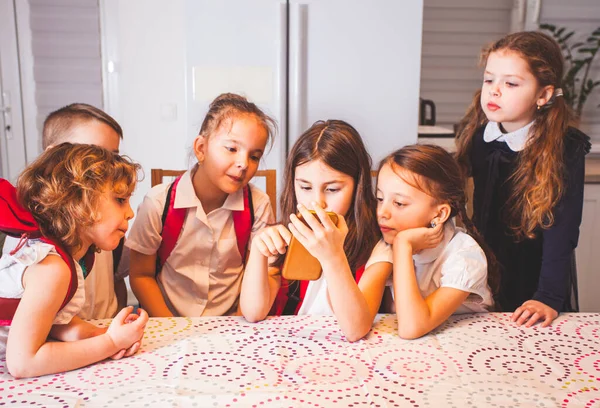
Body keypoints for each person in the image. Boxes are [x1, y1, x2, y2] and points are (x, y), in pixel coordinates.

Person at [455, 31, 591, 327]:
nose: (494, 91)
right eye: (489, 79)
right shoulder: (479, 134)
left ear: (543, 95)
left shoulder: (565, 148)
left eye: (511, 83)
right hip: (484, 265)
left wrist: (548, 295)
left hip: (532, 275)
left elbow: (563, 230)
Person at [0, 143, 147, 378]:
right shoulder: (51, 269)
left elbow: (58, 325)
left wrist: (103, 335)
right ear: (79, 204)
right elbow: (23, 363)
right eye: (120, 200)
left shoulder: (60, 260)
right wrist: (108, 343)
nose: (130, 213)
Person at [240, 120, 391, 342]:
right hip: (289, 351)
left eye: (332, 189)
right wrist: (258, 251)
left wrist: (333, 257)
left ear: (358, 186)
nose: (317, 202)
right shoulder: (284, 238)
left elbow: (356, 329)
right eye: (305, 187)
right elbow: (253, 312)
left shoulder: (378, 247)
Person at [127, 93, 276, 317]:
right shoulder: (158, 204)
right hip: (171, 323)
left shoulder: (258, 205)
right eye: (232, 149)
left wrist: (237, 326)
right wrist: (174, 330)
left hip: (234, 323)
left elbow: (264, 274)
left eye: (254, 156)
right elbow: (141, 275)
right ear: (201, 148)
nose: (243, 164)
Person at [377, 144, 497, 339]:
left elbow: (411, 328)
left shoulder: (464, 255)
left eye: (399, 203)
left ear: (440, 213)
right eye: (380, 198)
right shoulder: (385, 242)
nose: (382, 212)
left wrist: (402, 247)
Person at [42, 103, 128, 318]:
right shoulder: (31, 235)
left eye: (114, 157)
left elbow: (116, 279)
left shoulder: (109, 219)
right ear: (53, 158)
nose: (108, 169)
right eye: (94, 157)